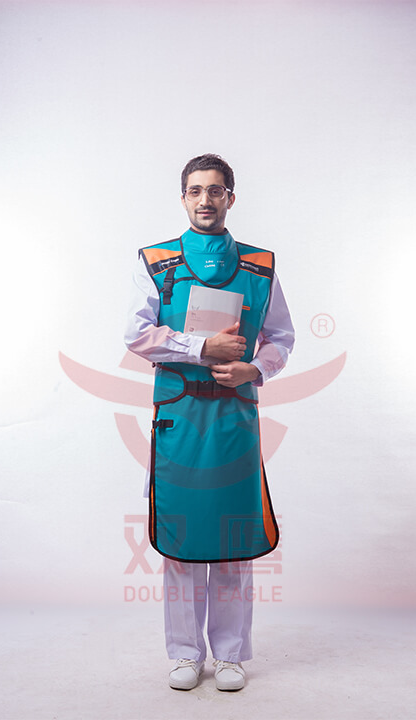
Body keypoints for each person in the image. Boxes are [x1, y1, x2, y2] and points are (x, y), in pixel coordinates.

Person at [125, 153, 294, 691]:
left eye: (215, 190)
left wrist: (254, 368)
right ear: (183, 198)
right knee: (181, 536)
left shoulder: (260, 266)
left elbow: (281, 337)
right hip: (179, 418)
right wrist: (201, 348)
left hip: (234, 419)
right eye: (195, 191)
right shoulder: (156, 262)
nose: (205, 200)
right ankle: (183, 653)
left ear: (230, 198)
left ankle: (230, 655)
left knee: (232, 536)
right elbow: (137, 335)